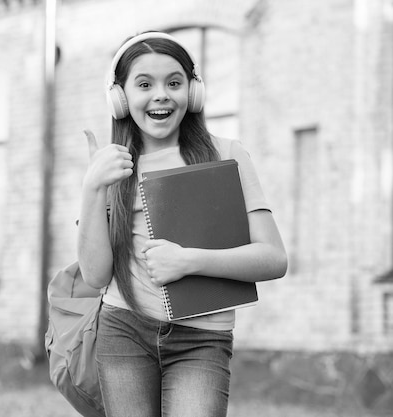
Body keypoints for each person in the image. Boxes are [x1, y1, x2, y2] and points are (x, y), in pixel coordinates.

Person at [77, 31, 288, 417]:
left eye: (174, 83)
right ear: (120, 98)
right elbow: (94, 276)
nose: (161, 94)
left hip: (202, 339)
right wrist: (93, 187)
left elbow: (274, 258)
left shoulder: (227, 154)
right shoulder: (112, 165)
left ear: (192, 93)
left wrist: (189, 260)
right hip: (124, 330)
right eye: (144, 84)